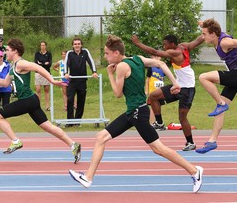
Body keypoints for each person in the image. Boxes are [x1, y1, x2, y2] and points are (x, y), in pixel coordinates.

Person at [69, 35, 203, 193]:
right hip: (133, 112)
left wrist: (110, 75)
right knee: (101, 137)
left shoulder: (121, 67)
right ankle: (88, 177)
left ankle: (194, 171)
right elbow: (160, 62)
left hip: (138, 113)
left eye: (106, 53)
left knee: (158, 148)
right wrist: (175, 83)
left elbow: (118, 93)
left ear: (116, 53)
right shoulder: (138, 59)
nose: (105, 56)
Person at [0, 38, 81, 163]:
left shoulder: (21, 63)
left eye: (8, 50)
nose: (6, 53)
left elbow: (38, 67)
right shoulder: (12, 67)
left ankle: (16, 141)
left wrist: (52, 80)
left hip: (26, 101)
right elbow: (5, 83)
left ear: (15, 51)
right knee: (48, 126)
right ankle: (73, 144)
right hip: (31, 101)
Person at [131, 34, 204, 151]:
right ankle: (159, 123)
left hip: (188, 89)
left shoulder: (175, 52)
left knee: (182, 117)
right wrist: (205, 33)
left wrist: (138, 44)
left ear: (172, 44)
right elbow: (197, 41)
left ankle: (190, 142)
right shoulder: (184, 46)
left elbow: (155, 52)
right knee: (153, 96)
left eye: (165, 44)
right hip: (178, 85)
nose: (164, 47)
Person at [196, 18, 237, 153]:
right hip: (234, 76)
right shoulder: (215, 35)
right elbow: (207, 26)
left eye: (204, 34)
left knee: (203, 77)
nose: (202, 37)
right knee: (220, 111)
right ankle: (212, 141)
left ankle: (221, 103)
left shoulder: (224, 42)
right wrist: (201, 23)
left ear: (213, 34)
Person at [64, 37, 98, 127]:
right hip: (72, 81)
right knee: (70, 99)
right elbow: (66, 63)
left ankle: (77, 121)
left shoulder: (85, 52)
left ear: (81, 45)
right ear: (73, 45)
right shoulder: (69, 53)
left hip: (82, 81)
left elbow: (91, 61)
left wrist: (94, 72)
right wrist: (66, 73)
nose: (77, 45)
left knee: (81, 101)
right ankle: (69, 122)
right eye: (75, 44)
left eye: (78, 44)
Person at [145, 56, 166, 124]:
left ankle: (158, 122)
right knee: (152, 107)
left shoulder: (163, 68)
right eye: (155, 57)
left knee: (158, 107)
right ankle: (152, 122)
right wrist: (146, 90)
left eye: (158, 57)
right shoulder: (151, 68)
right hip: (152, 91)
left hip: (160, 91)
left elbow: (163, 79)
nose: (157, 58)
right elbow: (147, 80)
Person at [34, 41, 52, 111]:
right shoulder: (37, 54)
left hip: (46, 73)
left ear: (46, 46)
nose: (42, 46)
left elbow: (49, 64)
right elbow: (36, 63)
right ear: (40, 46)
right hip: (38, 73)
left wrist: (41, 63)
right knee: (38, 89)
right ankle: (38, 106)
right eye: (41, 45)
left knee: (46, 89)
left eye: (44, 45)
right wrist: (45, 63)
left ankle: (47, 106)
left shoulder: (49, 54)